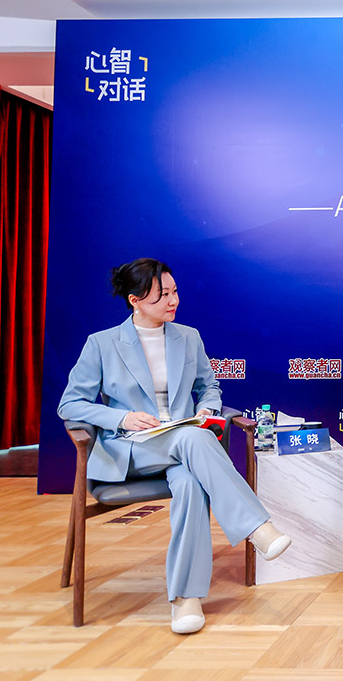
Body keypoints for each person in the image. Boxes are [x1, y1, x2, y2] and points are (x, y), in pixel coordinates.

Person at [58, 258, 290, 635]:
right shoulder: (101, 343)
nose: (173, 301)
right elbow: (70, 404)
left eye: (175, 291)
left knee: (191, 482)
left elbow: (209, 387)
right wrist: (122, 418)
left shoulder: (188, 337)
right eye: (161, 296)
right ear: (135, 300)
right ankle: (257, 527)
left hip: (184, 447)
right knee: (194, 439)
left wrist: (206, 409)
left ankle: (186, 598)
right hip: (132, 450)